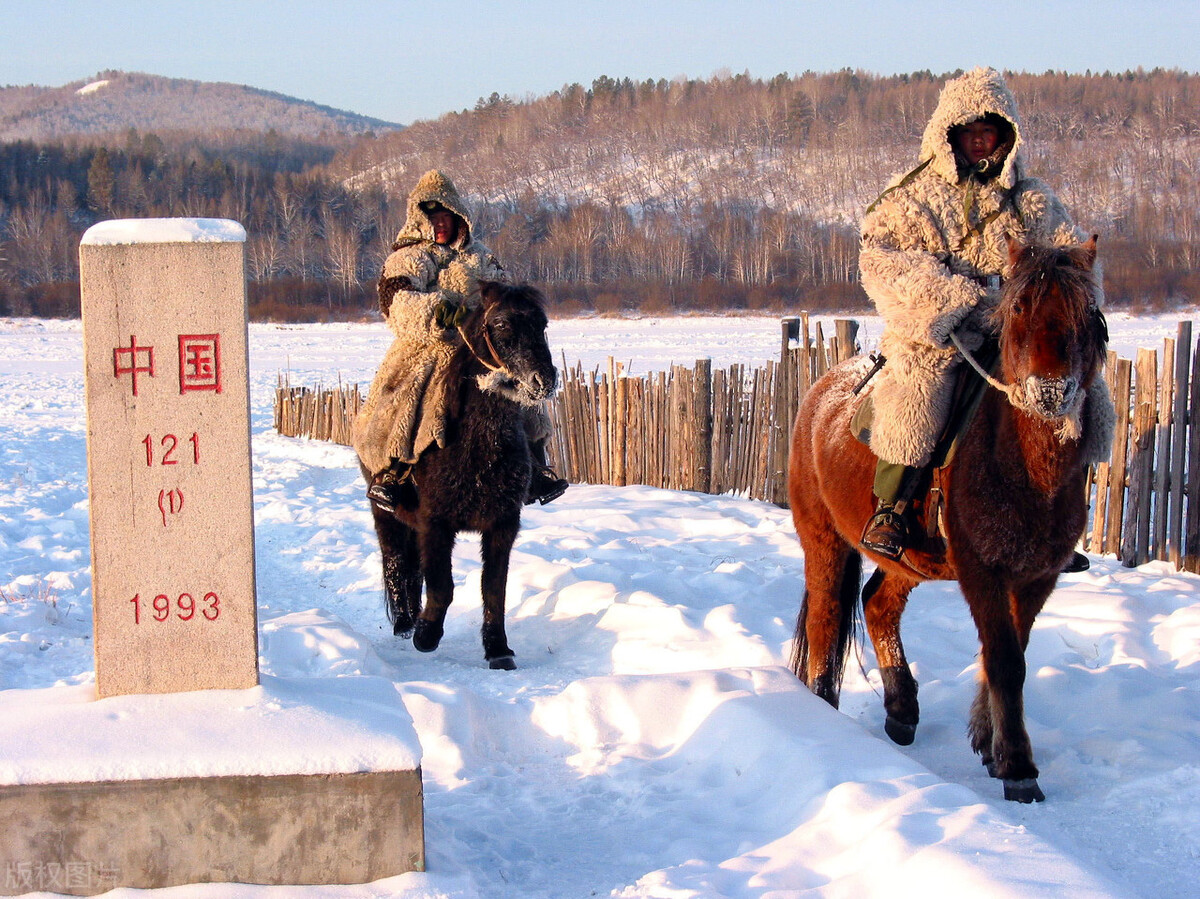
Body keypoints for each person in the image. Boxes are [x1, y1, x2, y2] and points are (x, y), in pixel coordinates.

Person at [856, 67, 1113, 563]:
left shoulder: (1032, 200)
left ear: (1006, 136)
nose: (979, 141)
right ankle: (892, 508)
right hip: (942, 331)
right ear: (949, 134)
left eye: (989, 131)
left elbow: (1074, 259)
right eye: (970, 132)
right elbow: (881, 256)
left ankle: (1058, 520)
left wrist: (1074, 311)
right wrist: (944, 297)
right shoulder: (911, 197)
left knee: (1085, 394)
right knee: (919, 394)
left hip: (1018, 328)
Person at [353, 169, 568, 512]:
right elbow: (394, 300)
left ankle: (536, 464)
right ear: (420, 220)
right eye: (434, 218)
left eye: (447, 218)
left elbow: (503, 295)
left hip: (480, 347)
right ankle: (394, 471)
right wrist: (438, 311)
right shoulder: (409, 256)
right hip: (426, 345)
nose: (441, 225)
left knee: (520, 385)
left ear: (459, 219)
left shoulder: (480, 257)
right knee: (411, 396)